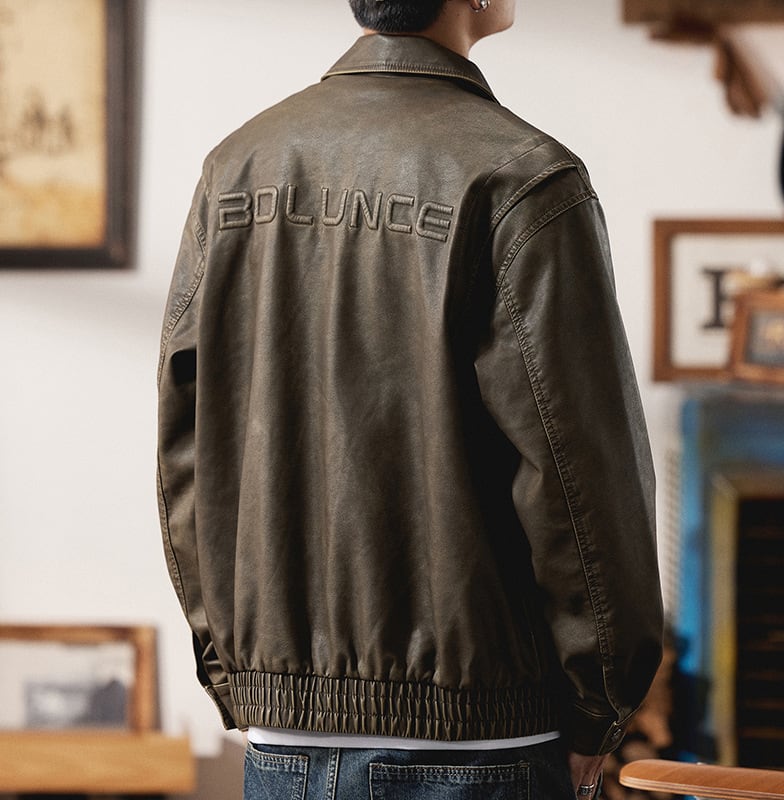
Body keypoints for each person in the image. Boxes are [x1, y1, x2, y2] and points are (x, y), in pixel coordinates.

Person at [157, 1, 664, 798]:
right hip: (483, 740)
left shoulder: (237, 167)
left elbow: (187, 452)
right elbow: (581, 479)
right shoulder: (523, 176)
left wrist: (238, 670)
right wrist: (599, 705)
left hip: (283, 742)